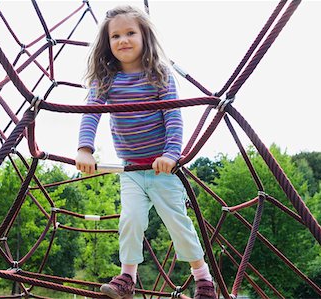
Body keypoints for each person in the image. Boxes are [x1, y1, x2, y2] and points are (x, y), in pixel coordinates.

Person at [75, 5, 216, 299]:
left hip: (163, 168)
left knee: (177, 222)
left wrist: (170, 154)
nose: (123, 40)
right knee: (130, 219)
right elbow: (91, 113)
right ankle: (128, 276)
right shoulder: (106, 79)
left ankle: (203, 278)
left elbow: (173, 117)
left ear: (144, 36)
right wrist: (85, 149)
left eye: (130, 33)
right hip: (130, 169)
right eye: (115, 36)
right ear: (107, 42)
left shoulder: (159, 75)